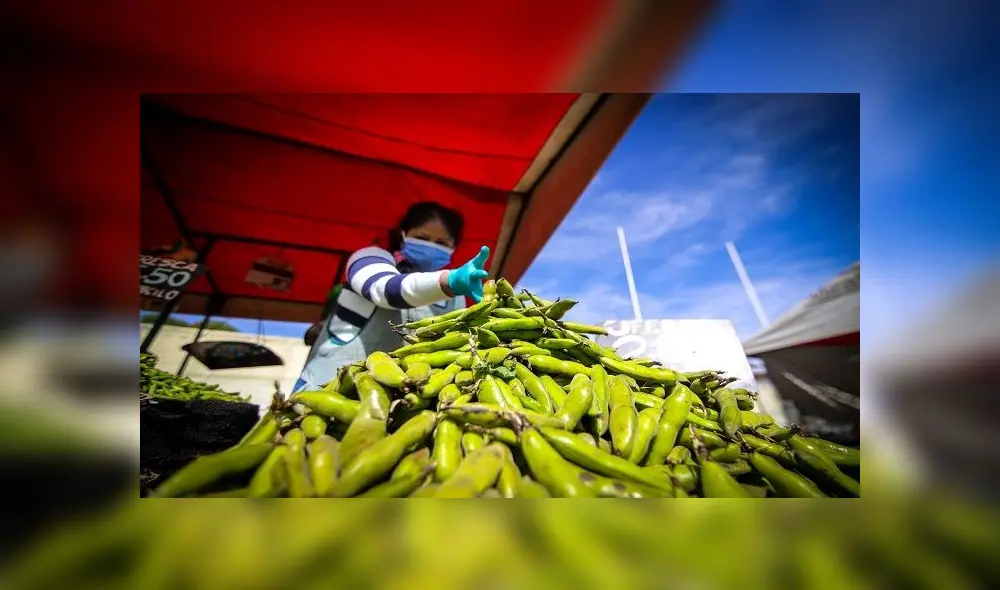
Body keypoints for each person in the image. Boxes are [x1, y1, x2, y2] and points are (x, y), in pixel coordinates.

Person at [292, 202, 489, 392]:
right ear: (403, 235)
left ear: (453, 248)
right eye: (422, 237)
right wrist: (450, 280)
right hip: (327, 381)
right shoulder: (370, 257)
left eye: (441, 243)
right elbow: (385, 290)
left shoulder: (454, 298)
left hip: (397, 392)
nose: (431, 246)